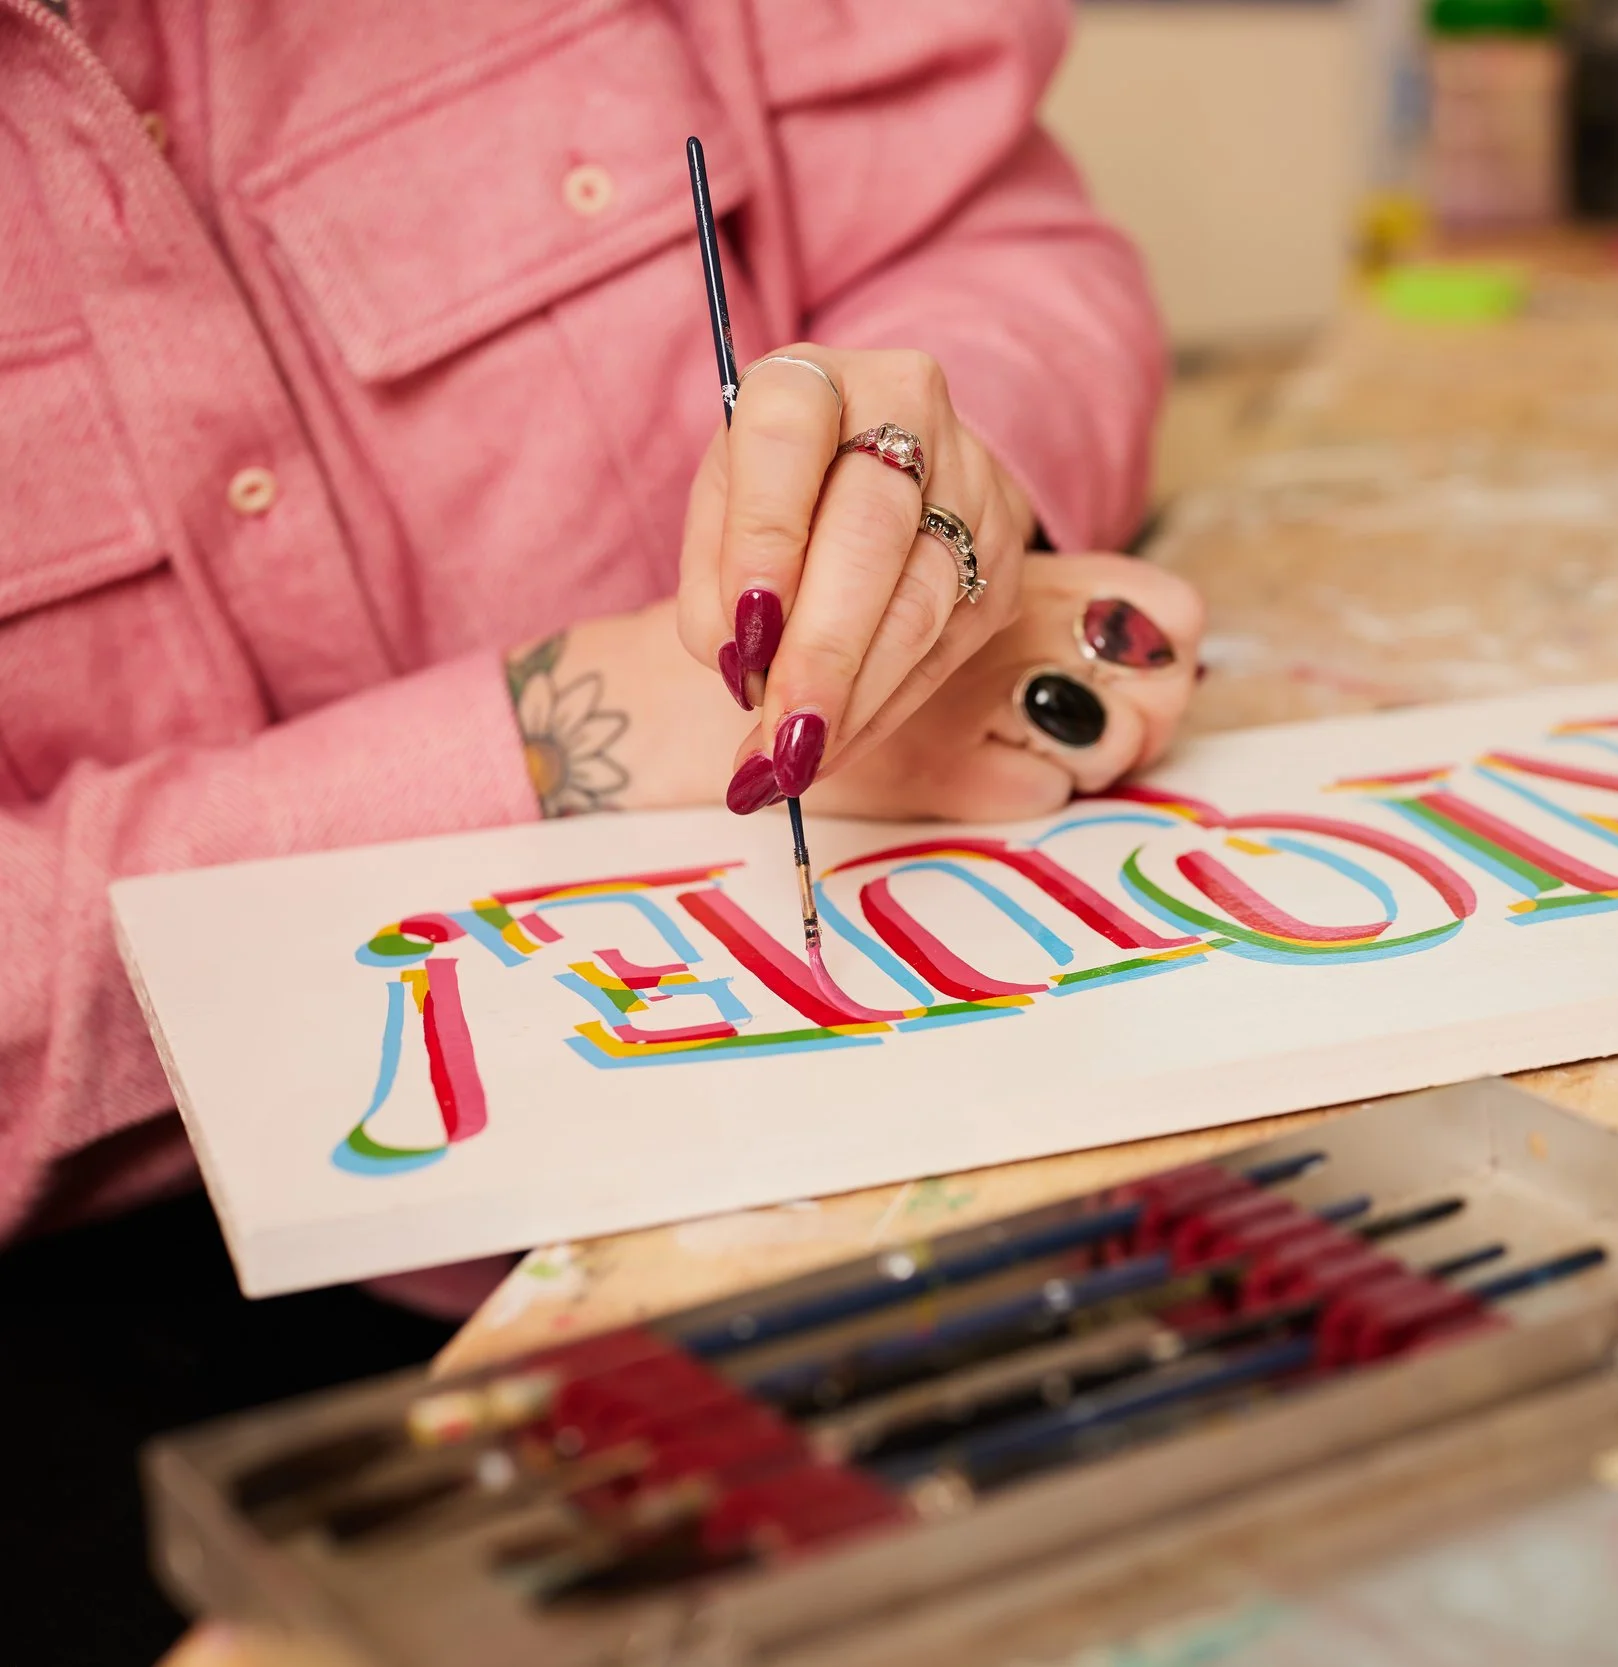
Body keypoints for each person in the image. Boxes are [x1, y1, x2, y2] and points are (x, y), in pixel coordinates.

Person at [0, 4, 1201, 1657]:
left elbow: (994, 242)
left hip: (820, 1144)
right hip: (123, 1336)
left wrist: (929, 518)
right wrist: (562, 734)